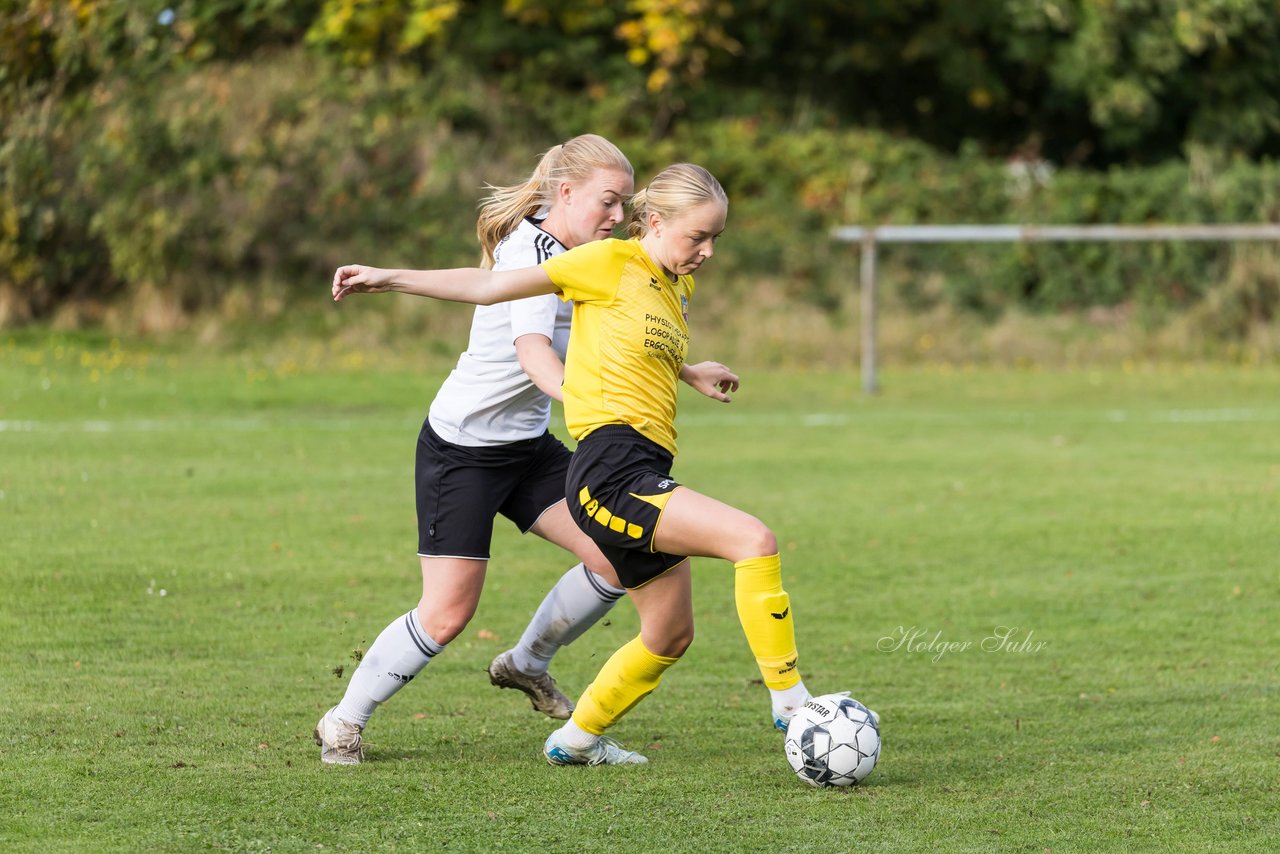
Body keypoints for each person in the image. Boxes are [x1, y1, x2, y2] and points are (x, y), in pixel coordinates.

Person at [332, 163, 841, 767]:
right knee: (753, 540)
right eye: (696, 238)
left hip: (546, 450)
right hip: (538, 458)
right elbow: (495, 294)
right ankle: (790, 701)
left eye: (715, 240)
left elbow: (631, 339)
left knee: (670, 632)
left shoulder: (669, 282)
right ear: (655, 222)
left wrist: (689, 370)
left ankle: (570, 733)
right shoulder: (601, 261)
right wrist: (387, 278)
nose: (706, 252)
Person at [314, 134, 639, 765]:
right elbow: (534, 351)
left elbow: (488, 284)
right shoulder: (532, 248)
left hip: (528, 451)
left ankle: (526, 663)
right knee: (446, 614)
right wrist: (582, 402)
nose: (618, 217)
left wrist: (686, 370)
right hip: (463, 451)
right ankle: (342, 721)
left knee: (619, 552)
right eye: (609, 200)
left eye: (625, 204)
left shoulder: (578, 254)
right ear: (565, 193)